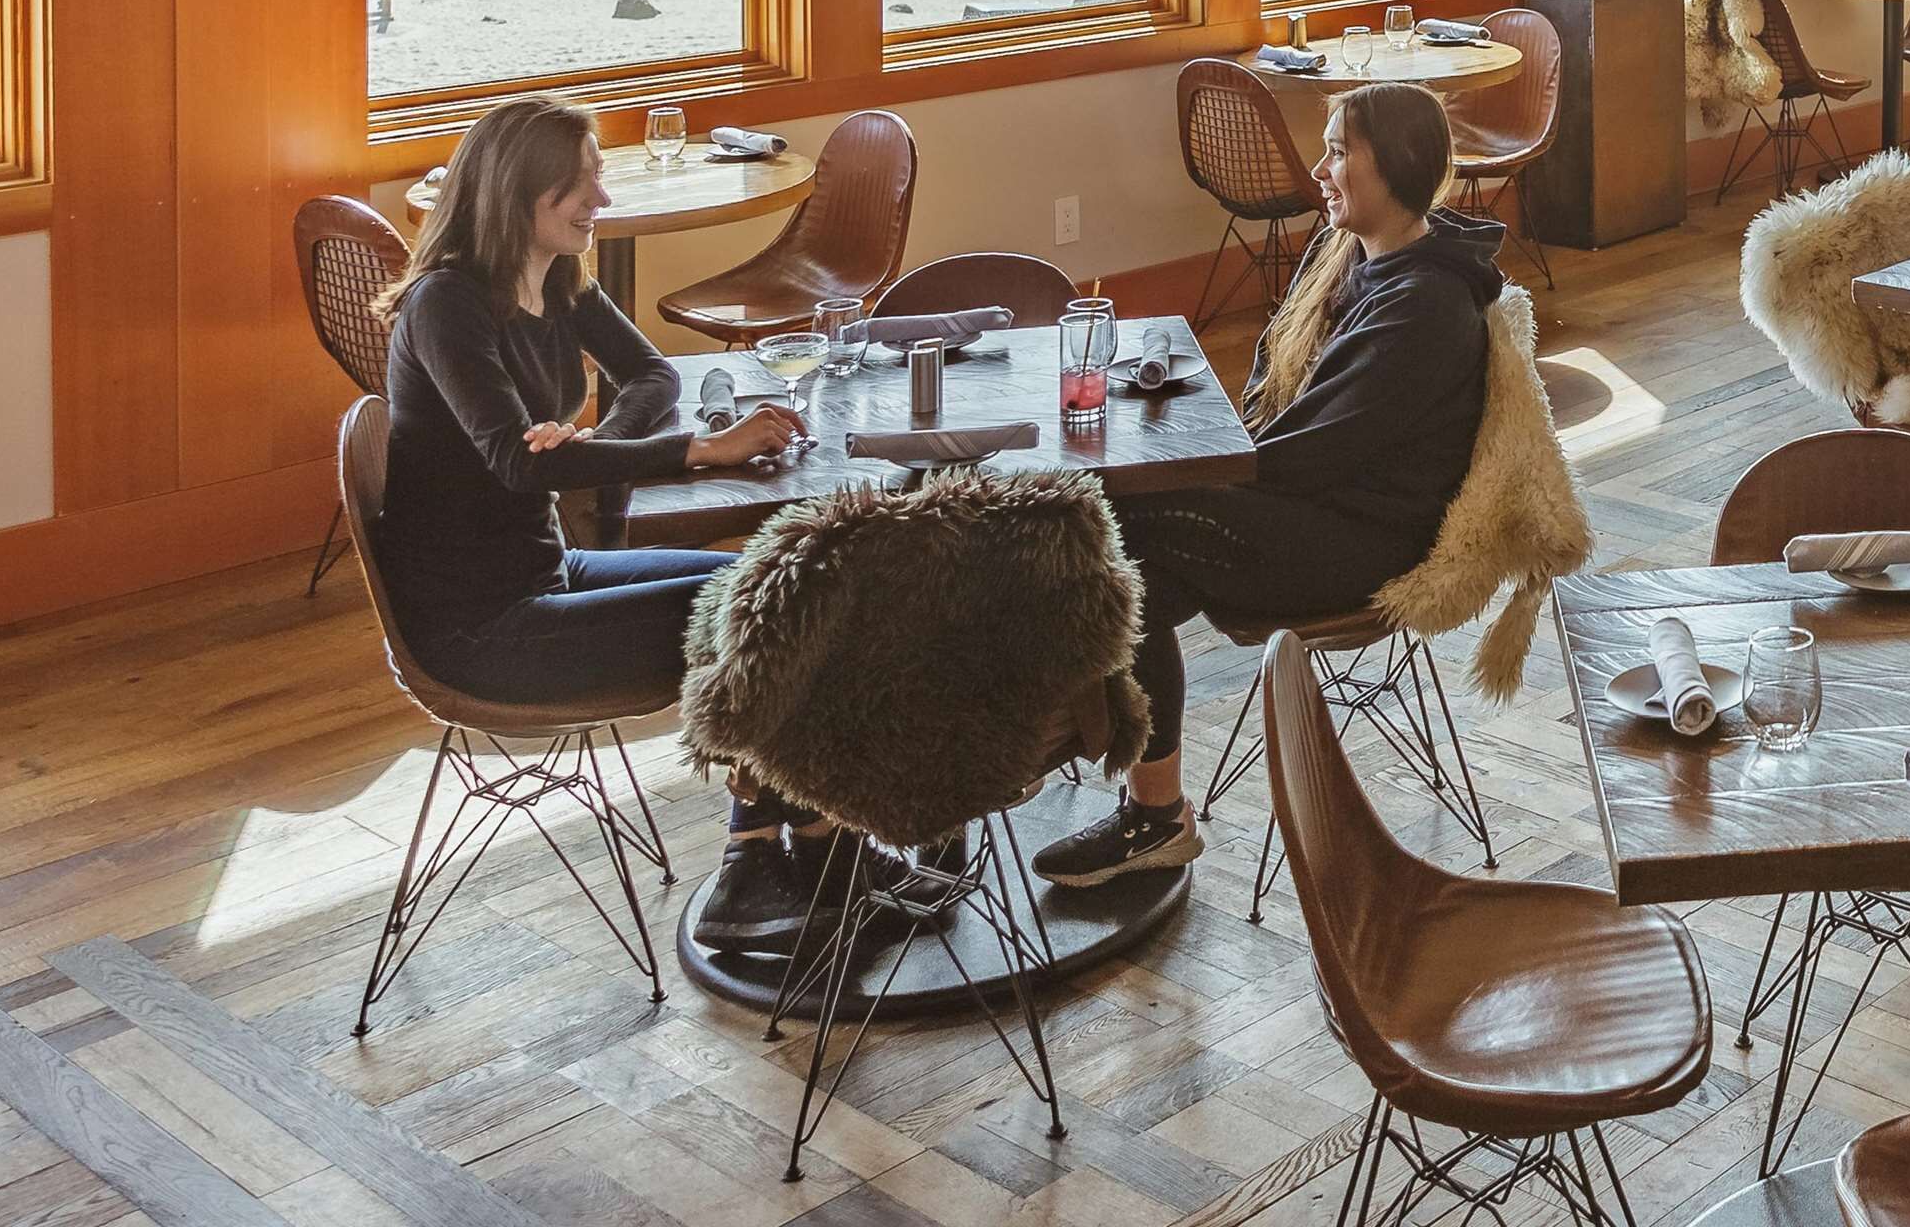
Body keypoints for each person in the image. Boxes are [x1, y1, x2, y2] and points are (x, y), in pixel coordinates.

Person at [372, 96, 910, 953]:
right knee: (775, 613)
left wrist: (591, 445)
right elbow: (518, 464)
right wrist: (694, 454)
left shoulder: (555, 280)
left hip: (544, 575)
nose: (603, 203)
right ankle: (760, 867)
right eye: (582, 187)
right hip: (483, 629)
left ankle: (812, 852)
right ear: (521, 194)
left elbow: (651, 376)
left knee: (774, 584)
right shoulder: (447, 305)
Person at [1033, 82, 1501, 885]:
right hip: (1313, 503)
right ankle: (1115, 776)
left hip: (1362, 541)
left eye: (1337, 151)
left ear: (1399, 167)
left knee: (1112, 535)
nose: (1319, 169)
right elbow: (1271, 397)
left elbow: (1310, 453)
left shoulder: (1423, 305)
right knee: (1113, 559)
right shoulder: (1354, 256)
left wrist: (1182, 457)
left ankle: (1112, 787)